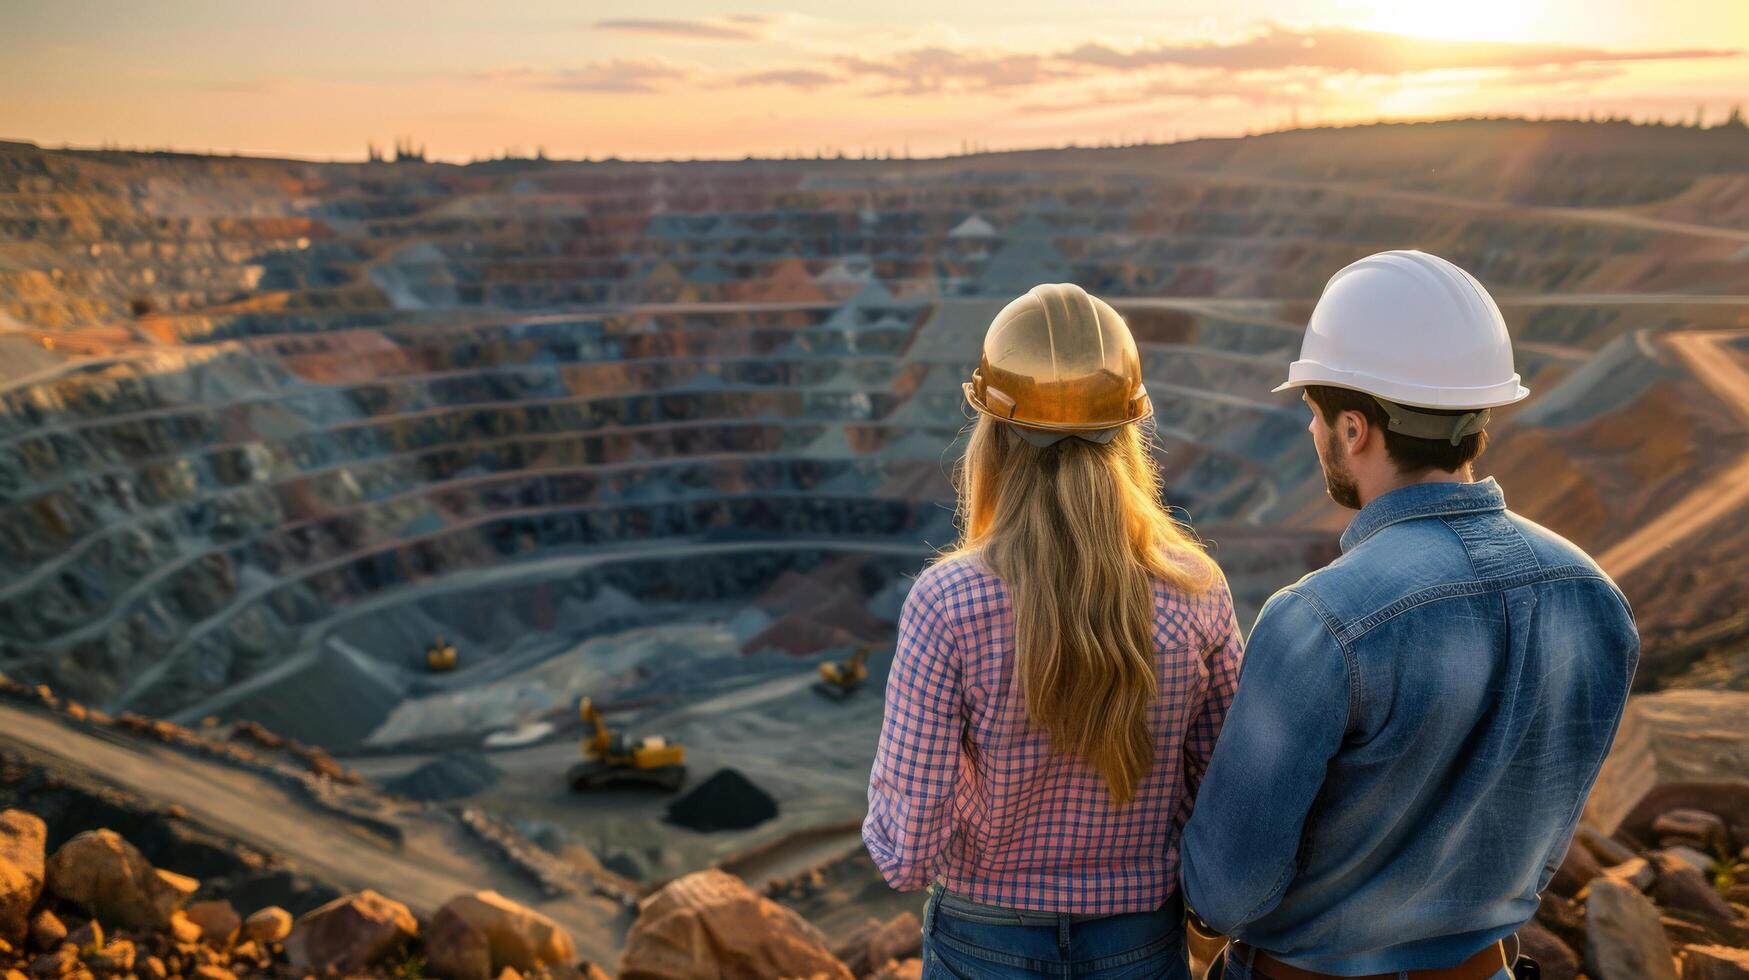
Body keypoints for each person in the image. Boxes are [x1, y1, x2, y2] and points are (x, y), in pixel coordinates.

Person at [1180, 250, 1640, 980]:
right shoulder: (1592, 596)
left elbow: (1230, 888)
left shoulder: (1319, 621)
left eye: (1314, 415)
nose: (1311, 434)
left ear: (1354, 429)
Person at [864, 283, 1245, 979]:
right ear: (1128, 434)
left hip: (984, 938)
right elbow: (1224, 783)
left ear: (993, 437)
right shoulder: (1195, 589)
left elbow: (907, 843)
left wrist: (898, 848)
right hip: (1138, 935)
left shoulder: (947, 600)